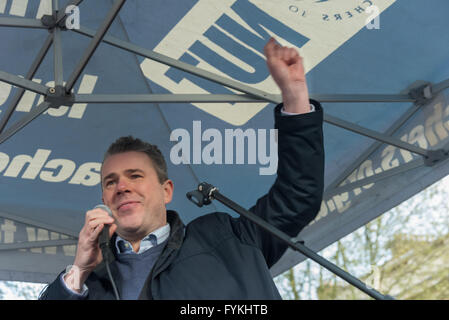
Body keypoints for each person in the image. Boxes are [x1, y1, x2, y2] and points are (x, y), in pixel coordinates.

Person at [39, 38, 324, 300]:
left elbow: (298, 195)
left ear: (166, 191)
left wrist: (295, 96)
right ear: (104, 201)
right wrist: (78, 269)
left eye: (135, 176)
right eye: (110, 182)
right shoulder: (91, 283)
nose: (121, 187)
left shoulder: (227, 238)